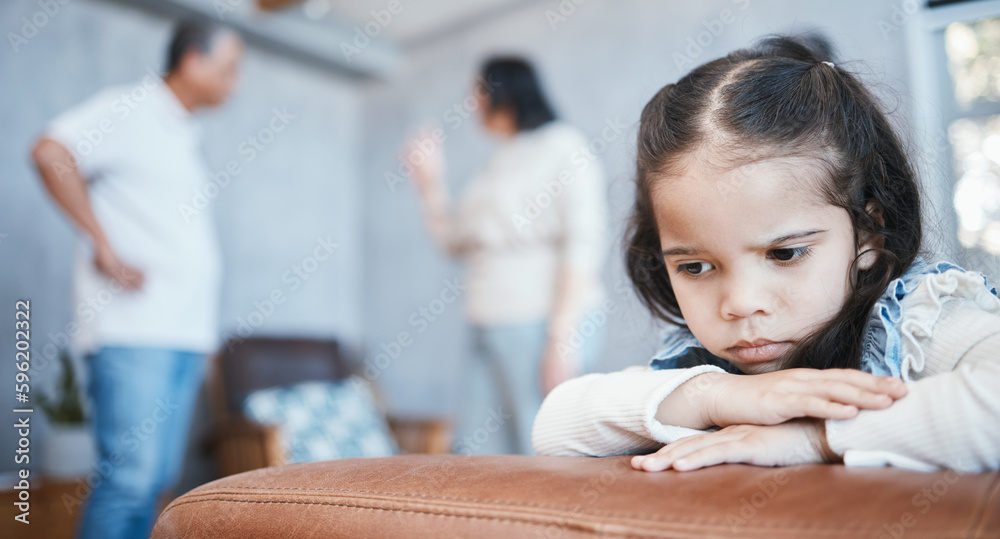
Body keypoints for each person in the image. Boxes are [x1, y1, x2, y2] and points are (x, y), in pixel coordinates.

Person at [532, 35, 1000, 473]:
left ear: (868, 234)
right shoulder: (705, 364)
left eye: (784, 254)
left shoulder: (918, 323)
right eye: (695, 266)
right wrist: (715, 396)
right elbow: (555, 423)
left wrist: (816, 438)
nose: (739, 302)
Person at [31, 19, 243, 538]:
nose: (235, 83)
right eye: (229, 70)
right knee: (128, 482)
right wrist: (102, 243)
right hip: (134, 331)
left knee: (156, 486)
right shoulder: (130, 110)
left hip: (182, 335)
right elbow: (50, 151)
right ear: (193, 61)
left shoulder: (183, 132)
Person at [406, 57, 609, 455]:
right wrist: (430, 184)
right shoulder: (494, 165)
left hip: (537, 327)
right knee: (479, 453)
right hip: (485, 326)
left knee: (542, 449)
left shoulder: (563, 146)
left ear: (507, 90)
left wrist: (561, 338)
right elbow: (454, 242)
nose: (471, 103)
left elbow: (584, 242)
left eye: (478, 91)